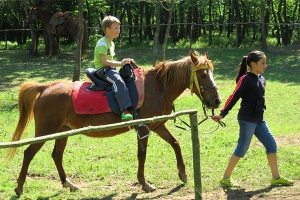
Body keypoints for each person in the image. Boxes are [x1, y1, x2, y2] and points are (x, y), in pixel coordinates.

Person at [212, 50, 294, 187]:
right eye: (262, 63)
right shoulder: (246, 79)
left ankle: (276, 177)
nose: (265, 65)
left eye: (265, 63)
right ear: (253, 64)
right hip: (247, 119)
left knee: (271, 145)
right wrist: (222, 113)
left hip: (259, 119)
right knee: (242, 148)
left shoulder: (261, 78)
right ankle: (225, 178)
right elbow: (234, 96)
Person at [94, 15, 134, 121]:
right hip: (103, 70)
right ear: (107, 29)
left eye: (119, 27)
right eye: (116, 28)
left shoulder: (111, 43)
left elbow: (110, 60)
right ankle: (124, 111)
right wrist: (120, 64)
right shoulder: (103, 43)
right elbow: (104, 62)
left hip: (110, 68)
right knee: (118, 81)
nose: (119, 30)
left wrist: (124, 62)